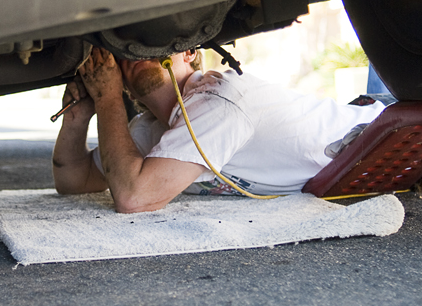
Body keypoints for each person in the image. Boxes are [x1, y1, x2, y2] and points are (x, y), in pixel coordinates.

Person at [51, 48, 388, 213]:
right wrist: (80, 115)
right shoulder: (151, 133)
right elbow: (72, 180)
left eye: (151, 44)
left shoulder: (218, 100)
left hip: (388, 132)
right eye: (126, 51)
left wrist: (108, 98)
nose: (139, 53)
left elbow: (134, 197)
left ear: (189, 52)